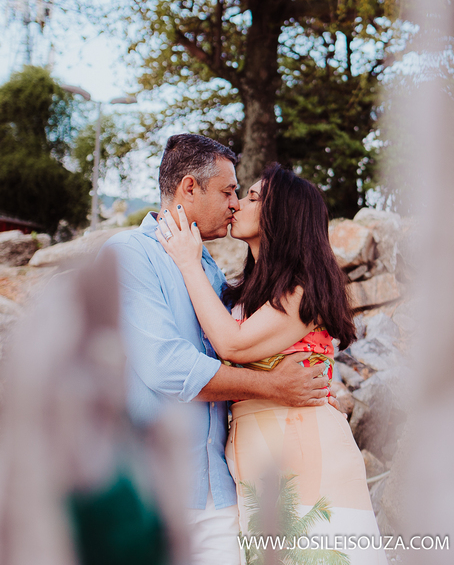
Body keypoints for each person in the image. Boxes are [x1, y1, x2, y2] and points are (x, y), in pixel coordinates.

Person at [100, 135, 332, 565]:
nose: (233, 203)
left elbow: (249, 339)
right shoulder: (129, 255)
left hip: (220, 494)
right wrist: (273, 386)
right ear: (190, 188)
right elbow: (168, 368)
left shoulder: (208, 268)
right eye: (228, 191)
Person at [157, 163, 388, 565]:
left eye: (250, 197)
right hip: (258, 457)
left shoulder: (302, 286)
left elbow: (232, 344)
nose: (236, 205)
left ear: (281, 215)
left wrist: (189, 263)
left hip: (304, 452)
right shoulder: (250, 290)